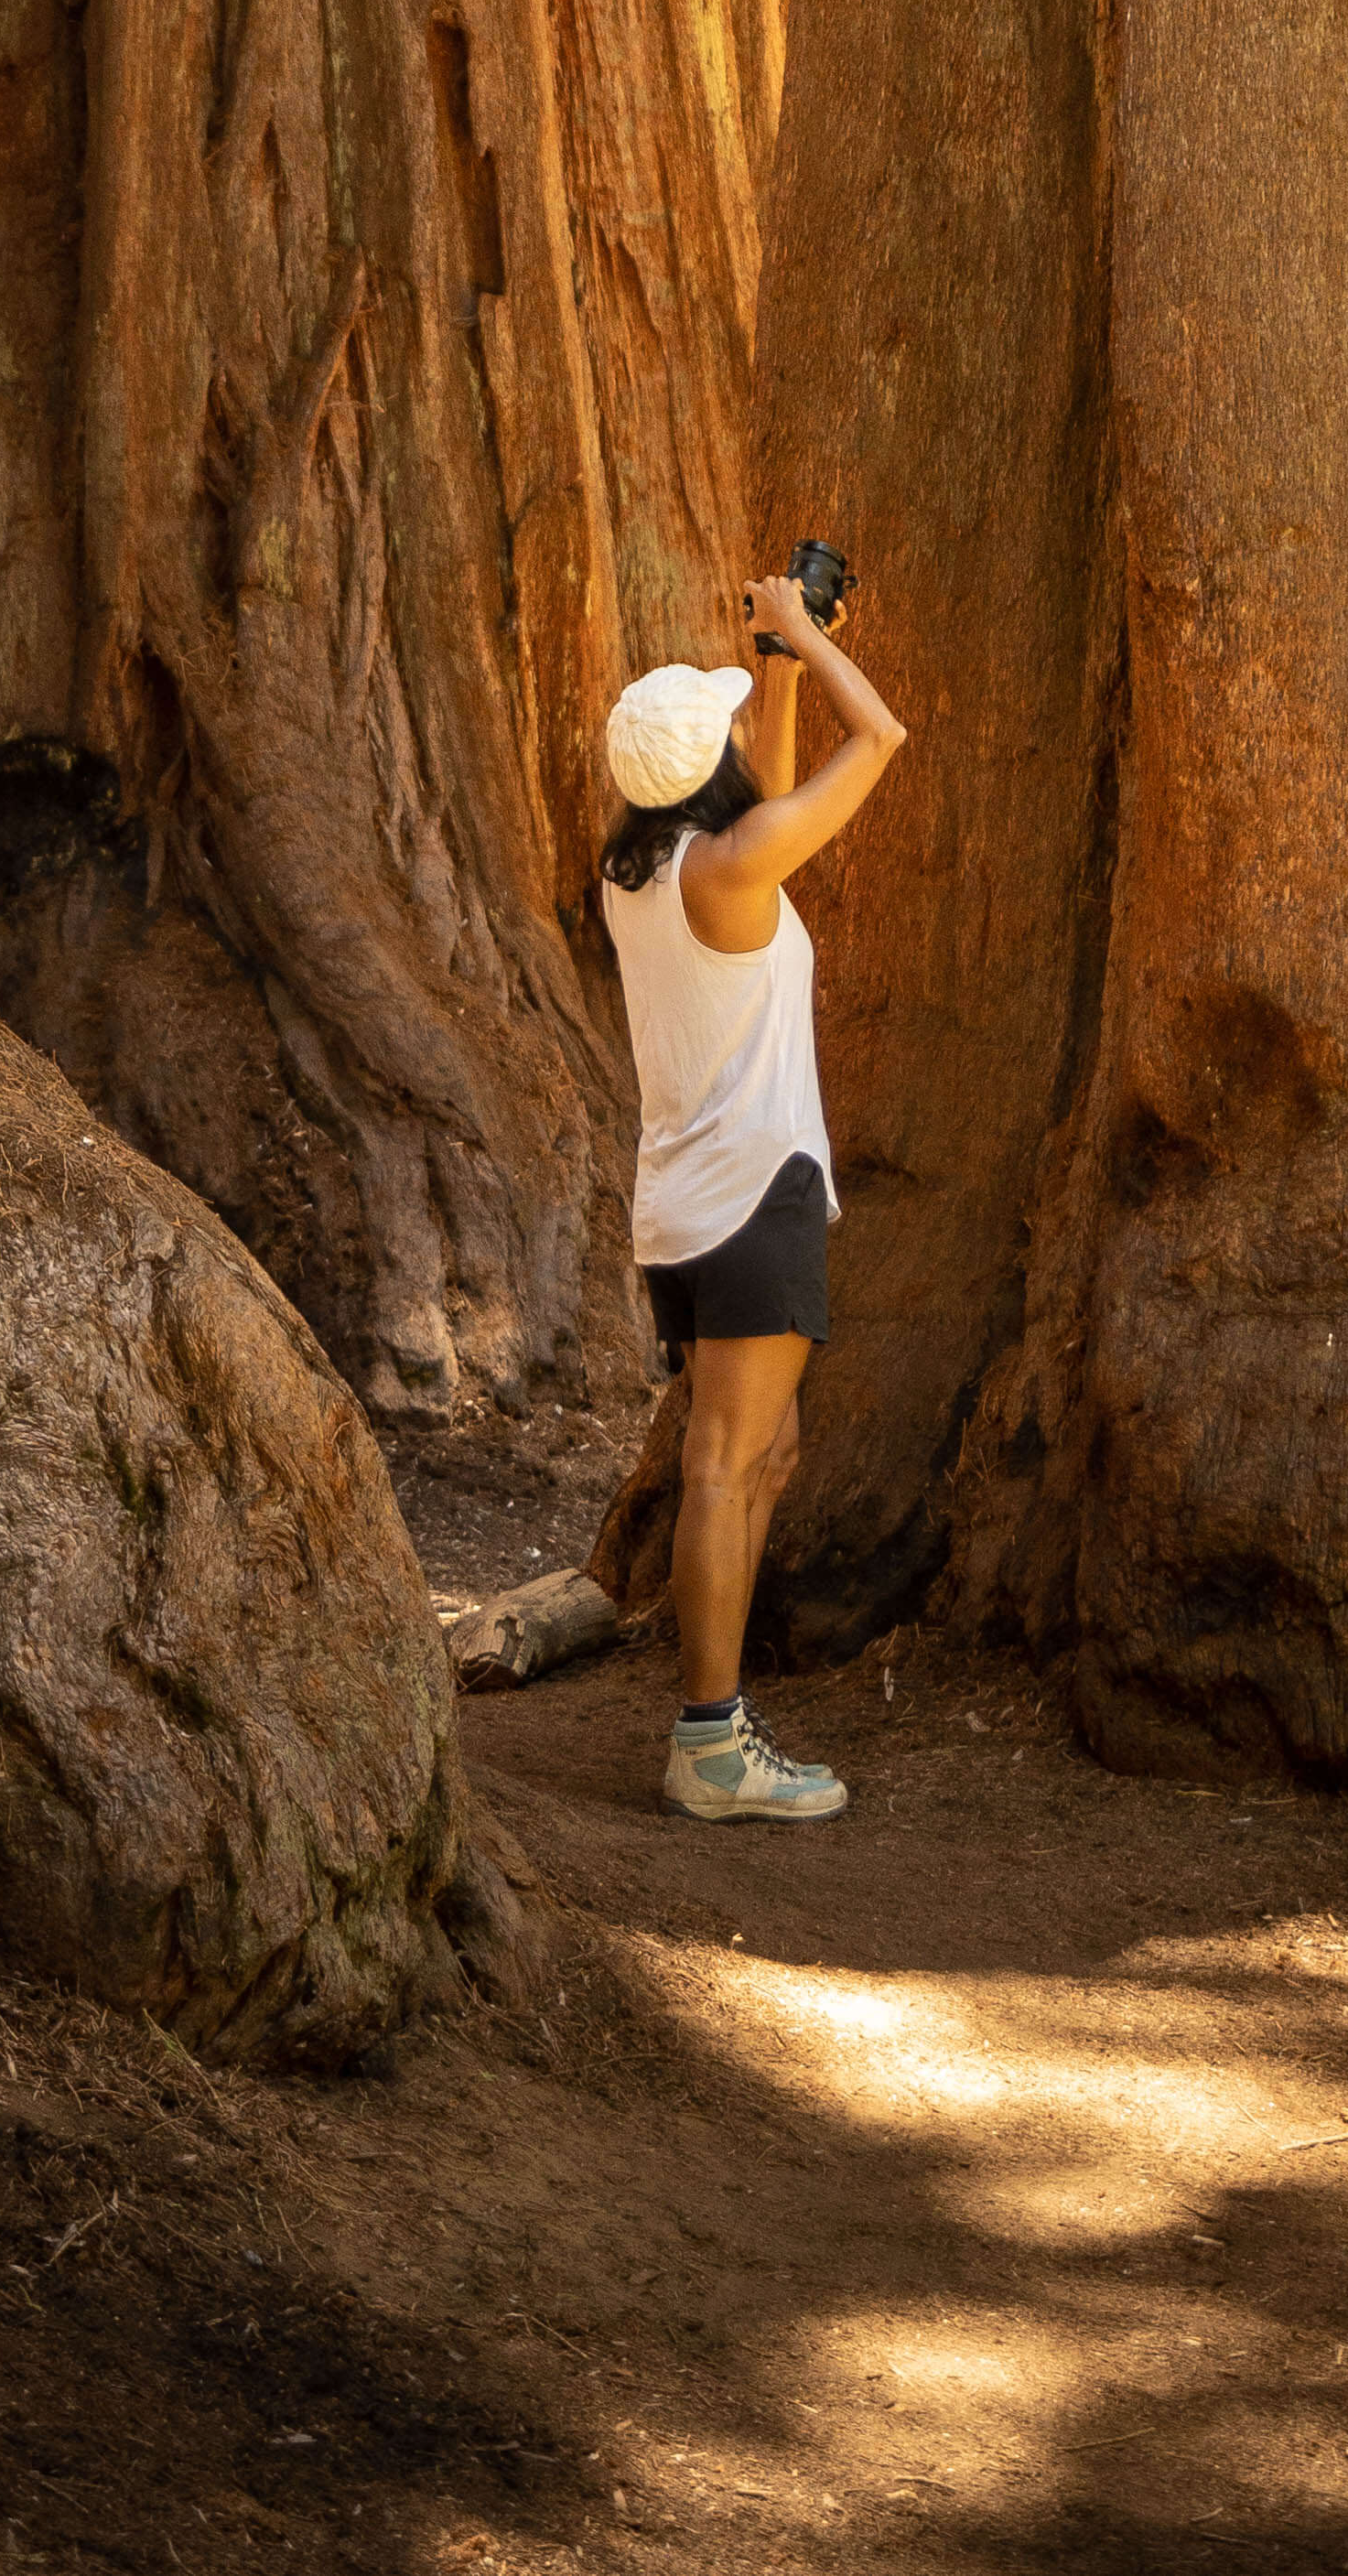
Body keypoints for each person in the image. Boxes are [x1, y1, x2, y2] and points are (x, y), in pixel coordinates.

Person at [597, 566, 905, 1822]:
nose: (743, 734)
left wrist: (778, 659)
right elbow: (879, 738)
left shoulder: (645, 869)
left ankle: (716, 1724)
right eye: (728, 723)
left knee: (761, 1447)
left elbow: (759, 789)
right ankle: (710, 1746)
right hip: (752, 1197)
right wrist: (803, 644)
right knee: (730, 1459)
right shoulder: (728, 868)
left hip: (685, 1206)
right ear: (705, 763)